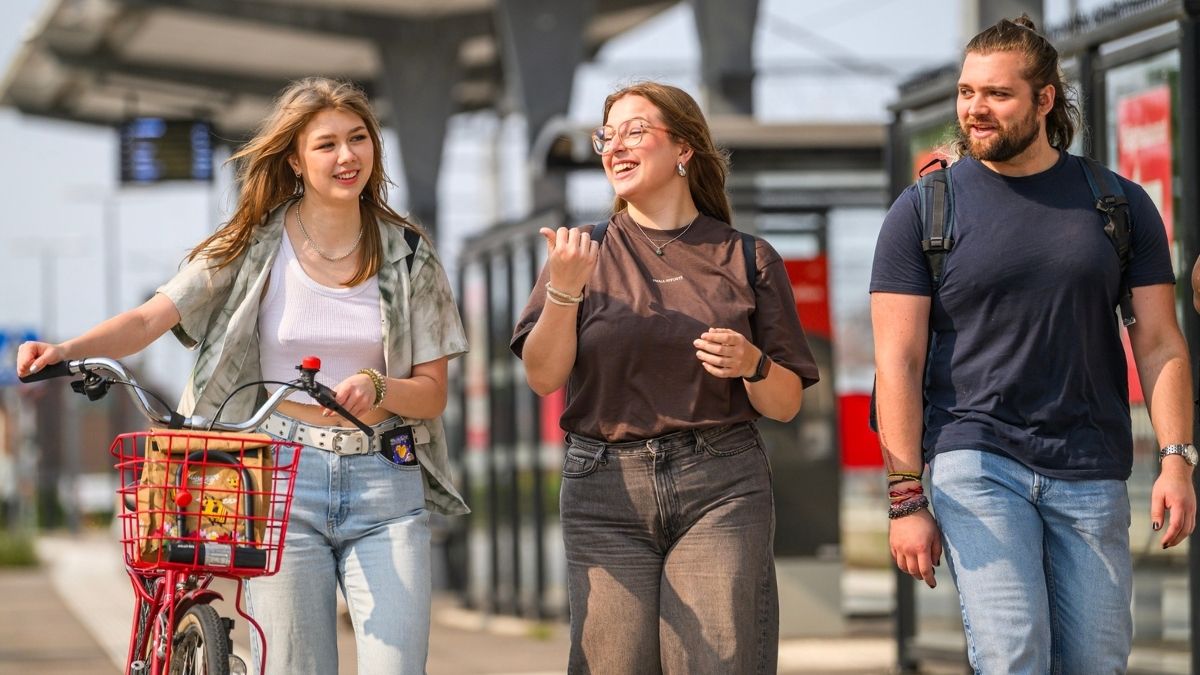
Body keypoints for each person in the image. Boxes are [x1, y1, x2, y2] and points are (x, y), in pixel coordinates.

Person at [16, 77, 468, 674]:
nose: (347, 156)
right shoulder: (253, 244)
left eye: (359, 139)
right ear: (296, 161)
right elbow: (152, 316)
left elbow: (432, 394)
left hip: (385, 479)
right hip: (282, 482)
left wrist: (379, 386)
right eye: (327, 144)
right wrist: (66, 348)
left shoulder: (410, 253)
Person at [871, 16, 1196, 675]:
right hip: (975, 459)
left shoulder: (1118, 204)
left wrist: (1177, 458)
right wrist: (906, 497)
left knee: (1097, 658)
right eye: (966, 93)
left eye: (996, 94)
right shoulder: (924, 211)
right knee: (1013, 651)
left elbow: (1160, 342)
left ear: (1045, 99)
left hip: (1089, 463)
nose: (974, 110)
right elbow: (897, 363)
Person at [510, 81, 819, 674]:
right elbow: (544, 377)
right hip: (603, 489)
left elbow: (783, 404)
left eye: (634, 131)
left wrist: (752, 362)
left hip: (721, 486)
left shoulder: (748, 257)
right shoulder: (580, 251)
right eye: (608, 136)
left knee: (716, 662)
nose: (615, 146)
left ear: (684, 150)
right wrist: (564, 289)